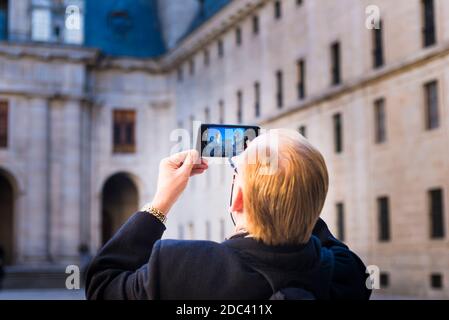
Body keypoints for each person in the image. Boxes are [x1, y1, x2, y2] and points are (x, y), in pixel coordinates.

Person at [86, 129, 371, 300]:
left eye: (236, 173)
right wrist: (292, 179)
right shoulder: (346, 275)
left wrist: (161, 201)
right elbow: (308, 217)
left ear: (238, 198)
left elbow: (102, 285)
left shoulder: (177, 268)